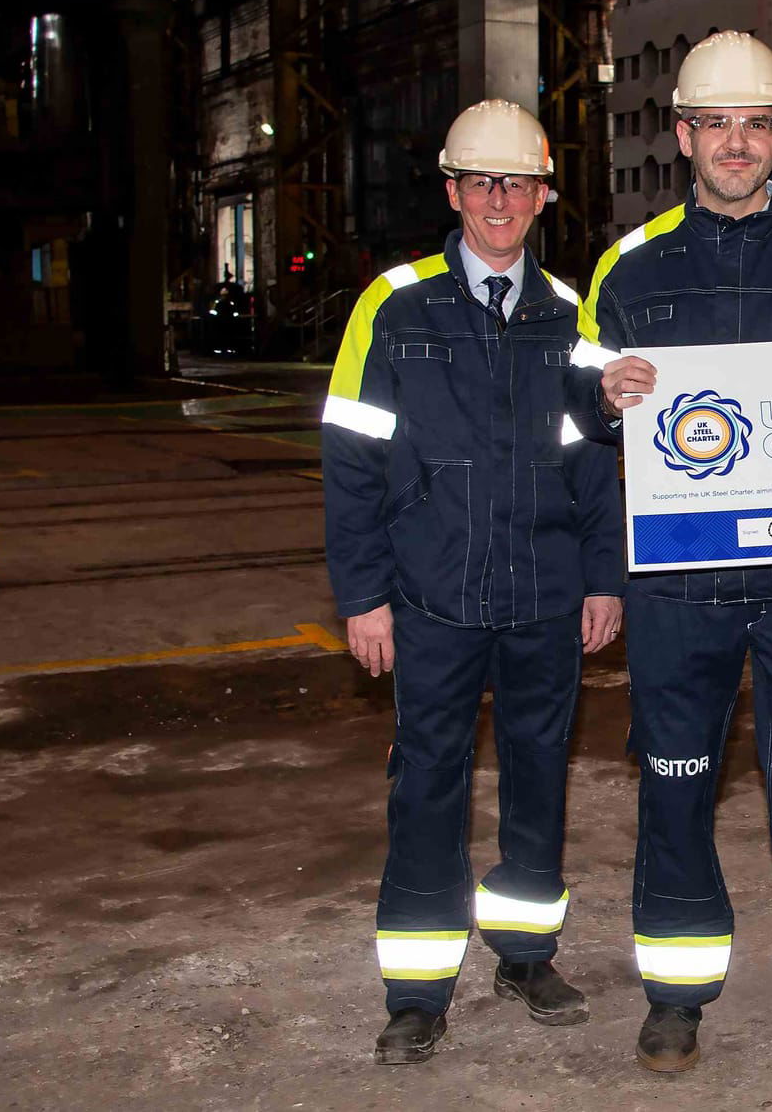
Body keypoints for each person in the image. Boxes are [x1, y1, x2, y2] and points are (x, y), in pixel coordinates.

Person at [578, 30, 772, 1074]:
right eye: (714, 124)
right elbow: (575, 430)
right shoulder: (626, 271)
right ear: (682, 135)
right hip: (680, 580)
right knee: (676, 777)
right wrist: (598, 400)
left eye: (754, 124)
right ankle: (677, 989)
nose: (734, 143)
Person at [321, 98, 624, 1065]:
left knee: (539, 780)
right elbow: (351, 457)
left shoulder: (573, 315)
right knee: (427, 788)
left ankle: (527, 955)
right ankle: (417, 991)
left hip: (544, 593)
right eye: (482, 182)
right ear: (453, 191)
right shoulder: (394, 303)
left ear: (542, 198)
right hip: (430, 597)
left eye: (519, 184)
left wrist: (603, 578)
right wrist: (363, 594)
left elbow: (598, 463)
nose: (500, 200)